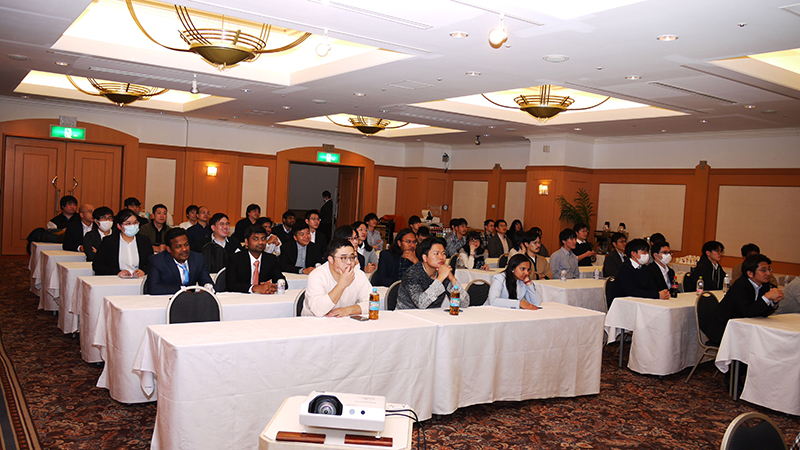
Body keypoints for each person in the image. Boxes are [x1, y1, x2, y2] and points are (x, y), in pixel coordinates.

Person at [702, 254, 783, 345]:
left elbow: (761, 313)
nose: (768, 273)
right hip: (724, 329)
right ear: (750, 274)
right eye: (763, 270)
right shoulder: (740, 286)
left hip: (743, 327)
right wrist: (766, 297)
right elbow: (748, 312)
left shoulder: (764, 285)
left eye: (769, 269)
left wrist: (773, 302)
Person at [302, 238, 373, 317]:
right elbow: (318, 310)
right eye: (344, 258)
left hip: (345, 321)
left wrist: (348, 310)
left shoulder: (359, 275)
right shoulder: (317, 275)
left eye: (352, 257)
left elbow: (372, 303)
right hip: (314, 322)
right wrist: (341, 285)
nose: (349, 262)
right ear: (331, 259)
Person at [396, 237, 470, 310]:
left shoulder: (443, 273)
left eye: (443, 253)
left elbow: (464, 304)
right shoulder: (412, 273)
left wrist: (453, 279)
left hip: (432, 315)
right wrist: (440, 278)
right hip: (407, 315)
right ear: (425, 258)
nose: (441, 257)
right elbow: (421, 304)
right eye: (436, 253)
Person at [145, 228, 214, 295]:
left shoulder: (198, 258)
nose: (184, 249)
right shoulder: (157, 261)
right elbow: (153, 288)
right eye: (178, 246)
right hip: (165, 300)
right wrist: (183, 289)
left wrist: (208, 287)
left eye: (186, 245)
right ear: (168, 249)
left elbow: (207, 282)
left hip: (191, 300)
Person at [226, 225, 286, 294]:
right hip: (242, 297)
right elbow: (231, 285)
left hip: (264, 297)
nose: (260, 242)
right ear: (246, 242)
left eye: (263, 239)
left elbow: (282, 281)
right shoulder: (235, 259)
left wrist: (273, 286)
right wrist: (254, 288)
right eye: (256, 239)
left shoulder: (271, 259)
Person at [92, 209, 153, 277]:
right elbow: (97, 265)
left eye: (135, 222)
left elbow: (151, 263)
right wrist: (117, 272)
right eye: (128, 223)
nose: (132, 226)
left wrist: (143, 271)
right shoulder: (109, 241)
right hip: (116, 280)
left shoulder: (144, 241)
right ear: (119, 226)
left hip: (139, 279)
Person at [612, 239, 670, 304]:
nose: (647, 254)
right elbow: (632, 291)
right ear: (633, 253)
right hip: (625, 302)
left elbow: (651, 286)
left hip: (640, 301)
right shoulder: (625, 268)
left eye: (647, 252)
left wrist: (662, 293)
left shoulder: (644, 268)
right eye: (644, 252)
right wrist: (657, 295)